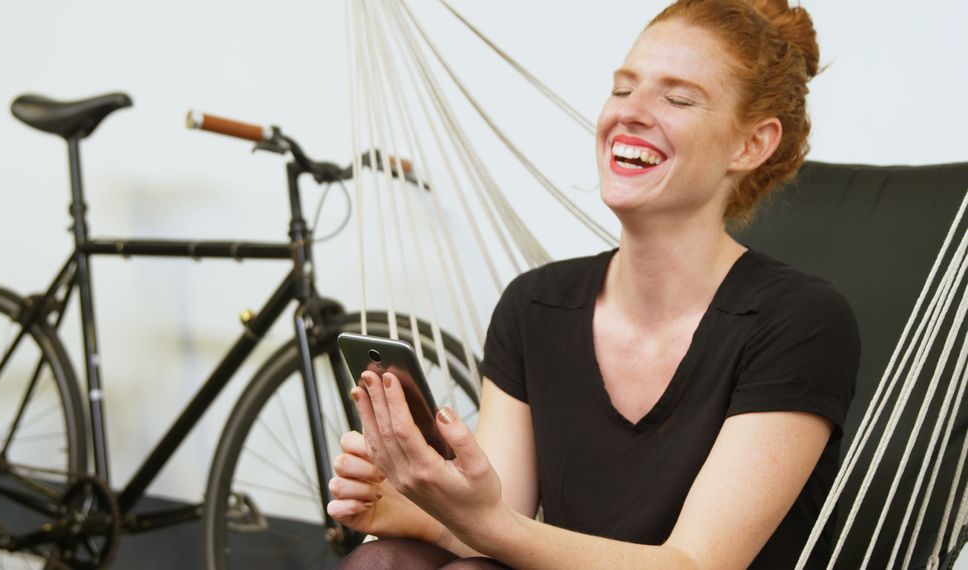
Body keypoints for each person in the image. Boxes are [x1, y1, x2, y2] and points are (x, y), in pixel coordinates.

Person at [327, 0, 860, 567]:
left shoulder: (800, 322)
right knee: (382, 559)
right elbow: (496, 524)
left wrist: (487, 523)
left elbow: (696, 564)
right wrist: (417, 509)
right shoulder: (534, 306)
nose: (629, 113)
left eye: (677, 98)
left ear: (751, 145)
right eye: (623, 89)